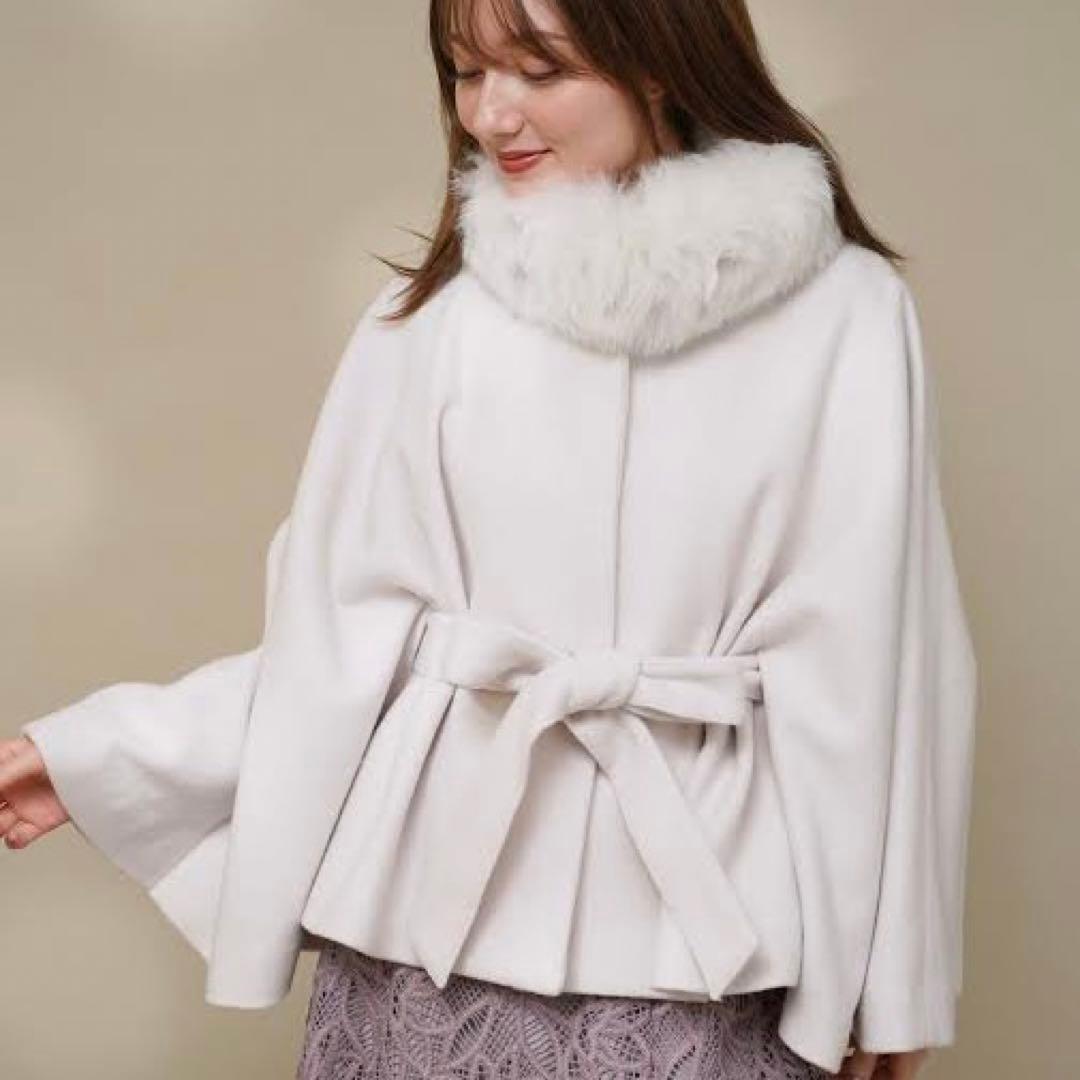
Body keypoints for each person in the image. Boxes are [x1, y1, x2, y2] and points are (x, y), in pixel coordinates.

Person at [0, 0, 977, 1078]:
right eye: (468, 73)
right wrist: (104, 753)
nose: (491, 114)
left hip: (712, 938)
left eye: (539, 69)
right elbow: (340, 645)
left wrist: (896, 987)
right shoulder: (426, 319)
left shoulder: (846, 315)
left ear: (663, 61)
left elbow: (880, 668)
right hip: (429, 936)